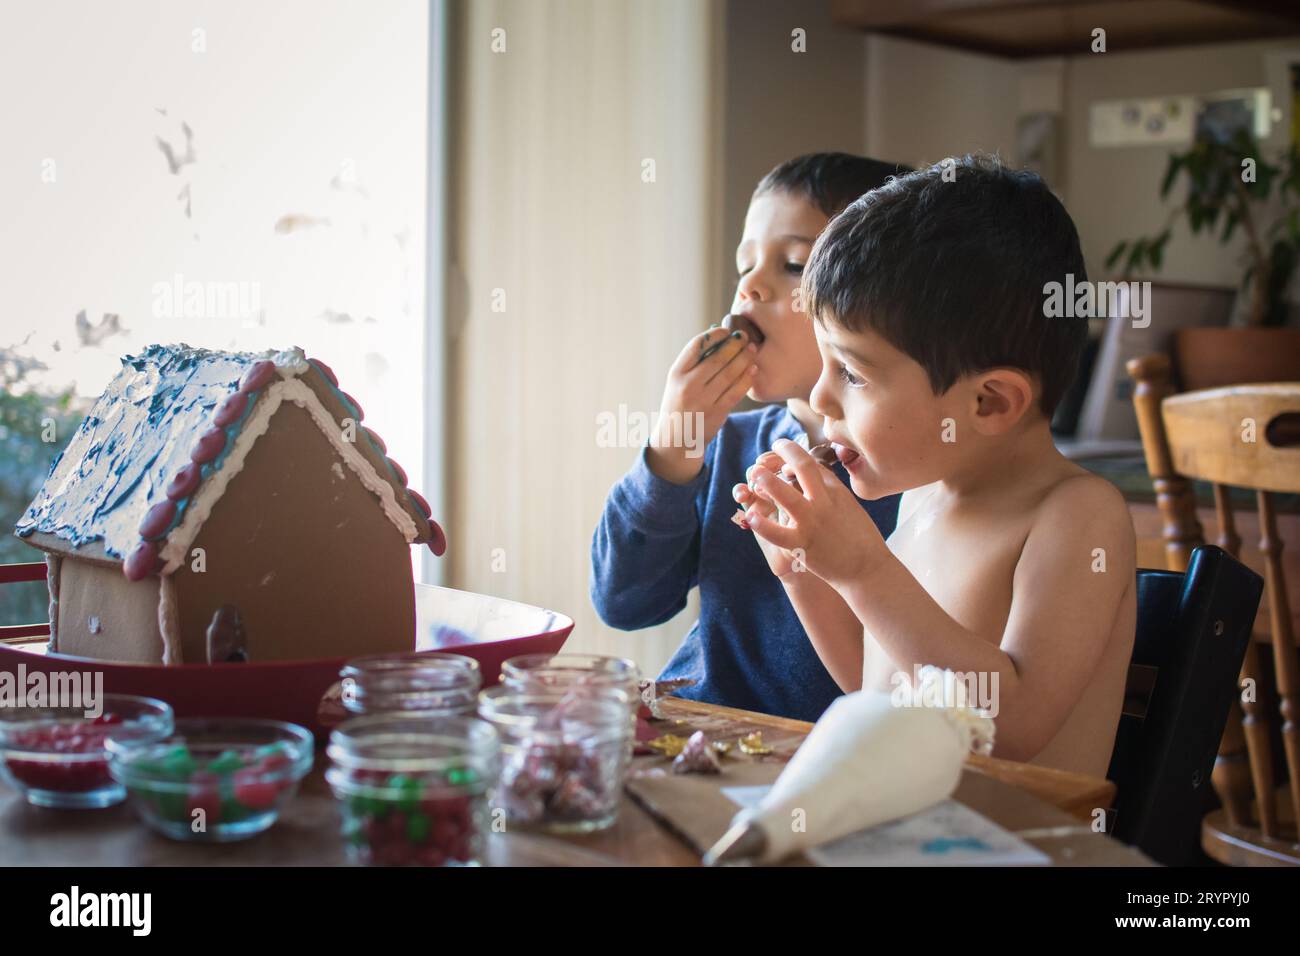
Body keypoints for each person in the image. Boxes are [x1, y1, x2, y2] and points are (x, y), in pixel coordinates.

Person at [738, 154, 1136, 776]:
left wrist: (865, 570)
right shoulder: (922, 498)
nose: (818, 399)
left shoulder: (1076, 517)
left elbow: (1013, 726)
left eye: (852, 372)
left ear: (989, 402)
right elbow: (879, 693)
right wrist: (804, 574)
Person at [591, 153, 907, 722]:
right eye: (745, 265)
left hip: (819, 756)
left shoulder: (910, 468)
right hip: (699, 729)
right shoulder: (727, 444)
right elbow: (623, 601)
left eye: (792, 265)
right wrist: (672, 450)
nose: (750, 288)